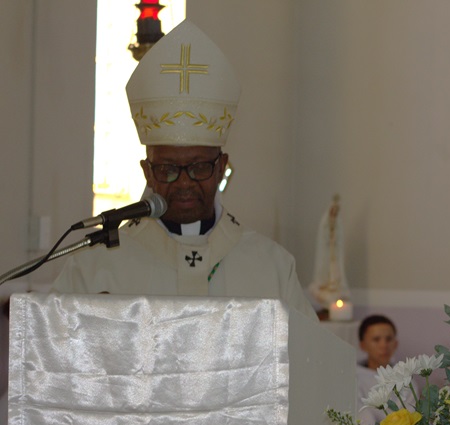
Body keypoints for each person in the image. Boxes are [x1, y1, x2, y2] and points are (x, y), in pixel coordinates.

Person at [52, 20, 315, 320]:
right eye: (167, 169)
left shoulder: (272, 268)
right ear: (147, 172)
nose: (184, 182)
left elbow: (310, 359)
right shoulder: (94, 267)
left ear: (221, 168)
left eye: (199, 167)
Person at [355, 314, 415, 425]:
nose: (384, 345)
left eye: (389, 339)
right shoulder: (355, 378)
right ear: (363, 345)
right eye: (376, 339)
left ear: (395, 344)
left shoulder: (406, 378)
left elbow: (411, 415)